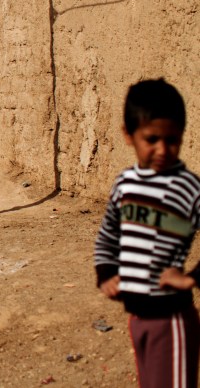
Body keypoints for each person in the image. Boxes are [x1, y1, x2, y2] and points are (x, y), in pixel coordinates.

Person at [95, 78, 199, 387]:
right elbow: (107, 237)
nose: (163, 149)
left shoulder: (189, 188)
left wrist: (192, 277)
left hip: (172, 321)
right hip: (138, 320)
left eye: (173, 139)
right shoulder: (125, 185)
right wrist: (106, 273)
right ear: (128, 135)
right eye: (151, 139)